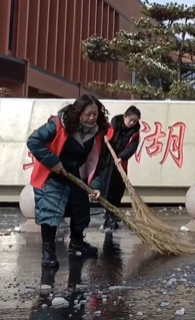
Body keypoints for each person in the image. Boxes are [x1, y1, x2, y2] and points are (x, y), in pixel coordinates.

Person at [27, 95, 109, 268]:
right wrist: (53, 162)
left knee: (81, 209)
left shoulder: (97, 133)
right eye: (88, 114)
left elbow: (99, 162)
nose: (92, 118)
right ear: (78, 112)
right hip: (53, 175)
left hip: (75, 175)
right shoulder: (58, 124)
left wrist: (95, 186)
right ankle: (48, 251)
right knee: (50, 211)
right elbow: (33, 141)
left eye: (95, 114)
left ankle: (77, 241)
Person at [102, 106, 141, 231]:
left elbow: (132, 147)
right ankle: (108, 214)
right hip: (108, 160)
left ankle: (113, 212)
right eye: (131, 119)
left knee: (118, 188)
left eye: (135, 121)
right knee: (107, 187)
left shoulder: (134, 132)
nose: (132, 123)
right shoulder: (114, 124)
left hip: (120, 162)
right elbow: (106, 137)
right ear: (125, 117)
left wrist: (122, 157)